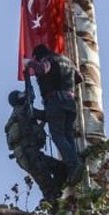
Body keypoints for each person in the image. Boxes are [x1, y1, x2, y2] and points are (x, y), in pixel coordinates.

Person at [24, 44, 85, 186]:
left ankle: (74, 164)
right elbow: (79, 78)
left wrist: (30, 64)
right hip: (70, 103)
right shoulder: (66, 60)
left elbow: (42, 69)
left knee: (58, 135)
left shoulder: (48, 60)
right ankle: (74, 166)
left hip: (55, 101)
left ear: (39, 56)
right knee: (67, 135)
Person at [5, 90, 68, 202]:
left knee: (58, 172)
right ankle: (53, 206)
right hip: (31, 155)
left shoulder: (14, 117)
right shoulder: (24, 111)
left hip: (26, 156)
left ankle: (53, 199)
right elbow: (45, 116)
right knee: (50, 186)